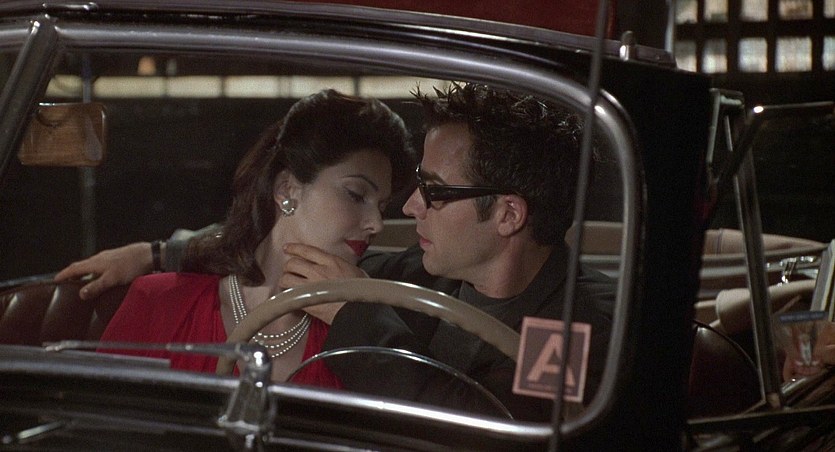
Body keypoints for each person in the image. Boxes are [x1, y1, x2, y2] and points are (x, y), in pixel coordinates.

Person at [56, 83, 614, 421]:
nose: (410, 207)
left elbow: (490, 432)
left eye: (436, 192)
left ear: (509, 216)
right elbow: (276, 250)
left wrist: (355, 318)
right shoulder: (428, 276)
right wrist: (157, 254)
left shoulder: (575, 323)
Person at [80, 89, 414, 385]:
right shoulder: (160, 304)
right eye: (356, 194)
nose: (376, 224)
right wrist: (152, 254)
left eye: (382, 207)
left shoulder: (361, 341)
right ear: (287, 189)